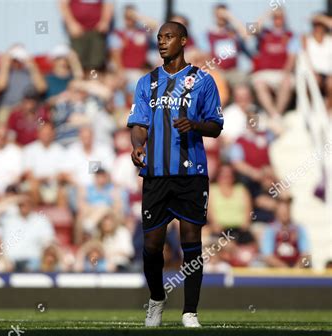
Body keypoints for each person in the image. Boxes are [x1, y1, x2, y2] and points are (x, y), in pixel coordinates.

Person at [128, 22, 223, 327]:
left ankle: (190, 311)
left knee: (191, 238)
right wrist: (138, 146)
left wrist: (194, 125)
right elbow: (139, 124)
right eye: (159, 38)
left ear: (183, 41)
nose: (162, 42)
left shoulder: (203, 80)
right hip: (155, 174)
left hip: (191, 174)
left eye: (168, 37)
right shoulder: (147, 82)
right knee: (152, 245)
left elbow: (216, 125)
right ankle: (157, 298)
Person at [260, 196, 311, 268]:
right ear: (276, 211)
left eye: (287, 209)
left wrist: (297, 268)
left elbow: (306, 255)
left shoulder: (299, 229)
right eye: (282, 209)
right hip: (277, 272)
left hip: (297, 270)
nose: (285, 212)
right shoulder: (270, 230)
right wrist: (285, 269)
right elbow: (268, 256)